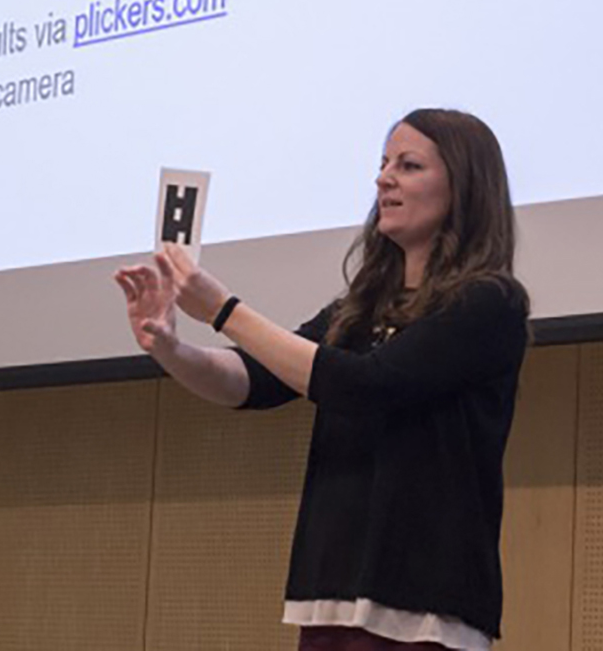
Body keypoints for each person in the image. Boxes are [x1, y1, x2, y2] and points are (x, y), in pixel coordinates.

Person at [116, 109, 529, 650]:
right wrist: (169, 345)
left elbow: (365, 386)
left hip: (423, 606)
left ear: (464, 185)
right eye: (383, 164)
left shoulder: (488, 302)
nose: (384, 178)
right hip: (330, 592)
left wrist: (223, 309)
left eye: (408, 165)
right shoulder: (359, 307)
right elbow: (253, 381)